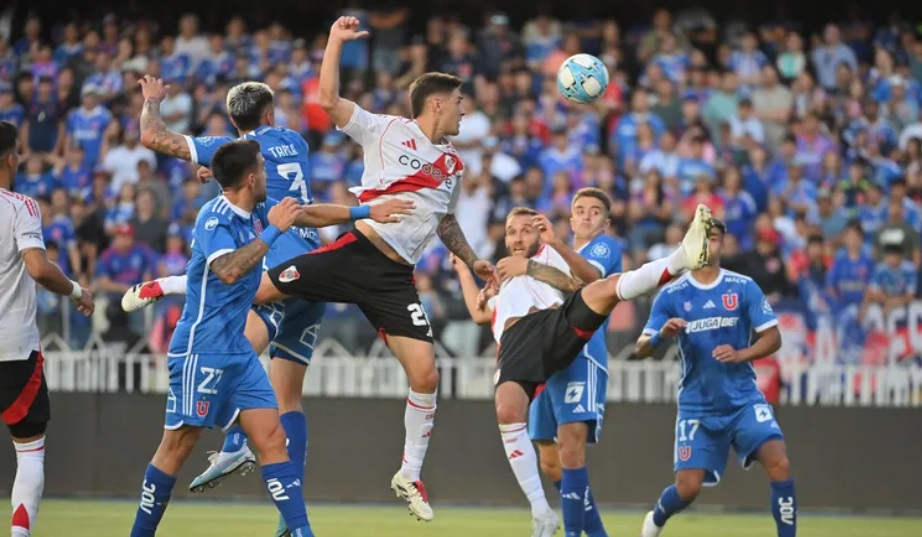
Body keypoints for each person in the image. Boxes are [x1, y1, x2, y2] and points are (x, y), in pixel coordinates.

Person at [123, 77, 410, 536]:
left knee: (268, 430)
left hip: (269, 287)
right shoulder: (284, 151)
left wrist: (153, 102)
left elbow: (154, 137)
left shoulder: (247, 187)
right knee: (210, 433)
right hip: (285, 287)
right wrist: (357, 213)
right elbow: (238, 263)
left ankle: (277, 499)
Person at [251, 15, 496, 522]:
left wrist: (472, 259)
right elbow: (328, 101)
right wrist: (335, 41)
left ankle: (409, 472)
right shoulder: (385, 130)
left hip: (393, 278)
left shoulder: (453, 164)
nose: (464, 111)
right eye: (458, 103)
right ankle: (186, 315)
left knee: (427, 375)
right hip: (356, 251)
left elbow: (443, 219)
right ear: (436, 102)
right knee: (255, 292)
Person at [451, 204, 714, 536]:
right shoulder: (500, 279)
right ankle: (542, 511)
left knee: (606, 289)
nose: (518, 237)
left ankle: (681, 259)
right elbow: (479, 314)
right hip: (518, 341)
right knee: (507, 410)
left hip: (554, 323)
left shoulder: (551, 255)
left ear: (539, 233)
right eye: (512, 231)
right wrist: (464, 271)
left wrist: (529, 267)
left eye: (526, 229)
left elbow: (576, 284)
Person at [634, 218, 796, 537]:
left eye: (716, 238)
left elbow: (773, 337)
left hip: (743, 400)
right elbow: (640, 349)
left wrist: (741, 354)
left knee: (779, 462)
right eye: (702, 238)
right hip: (698, 407)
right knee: (688, 489)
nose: (709, 244)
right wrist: (659, 337)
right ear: (690, 244)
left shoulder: (743, 286)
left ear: (724, 244)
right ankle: (655, 519)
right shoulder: (671, 295)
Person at [0, 120, 94, 537]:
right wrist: (76, 290)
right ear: (9, 158)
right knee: (30, 452)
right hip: (14, 348)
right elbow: (38, 268)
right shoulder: (21, 206)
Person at [528, 188, 622, 537]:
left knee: (570, 449)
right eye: (579, 210)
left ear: (605, 222)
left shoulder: (605, 248)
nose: (586, 216)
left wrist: (555, 246)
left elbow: (590, 280)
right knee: (550, 460)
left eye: (594, 211)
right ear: (570, 218)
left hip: (582, 355)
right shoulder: (551, 254)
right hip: (546, 360)